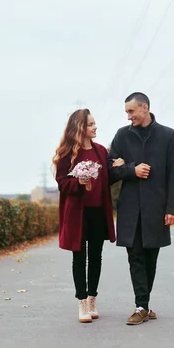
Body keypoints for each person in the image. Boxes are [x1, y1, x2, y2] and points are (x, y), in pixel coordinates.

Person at [108, 92, 174, 325]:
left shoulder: (168, 135)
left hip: (156, 208)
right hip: (130, 208)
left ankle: (145, 304)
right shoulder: (122, 136)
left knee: (151, 256)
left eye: (131, 111)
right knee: (135, 256)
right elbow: (109, 172)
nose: (129, 116)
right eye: (126, 113)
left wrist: (172, 208)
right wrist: (131, 169)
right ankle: (141, 306)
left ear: (145, 107)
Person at [53, 108, 120, 323]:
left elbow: (106, 178)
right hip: (77, 213)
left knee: (96, 257)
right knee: (79, 256)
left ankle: (92, 299)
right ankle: (81, 302)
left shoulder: (101, 151)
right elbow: (62, 183)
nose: (95, 127)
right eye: (90, 124)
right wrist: (79, 182)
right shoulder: (66, 153)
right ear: (80, 127)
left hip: (99, 211)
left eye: (94, 123)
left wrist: (116, 167)